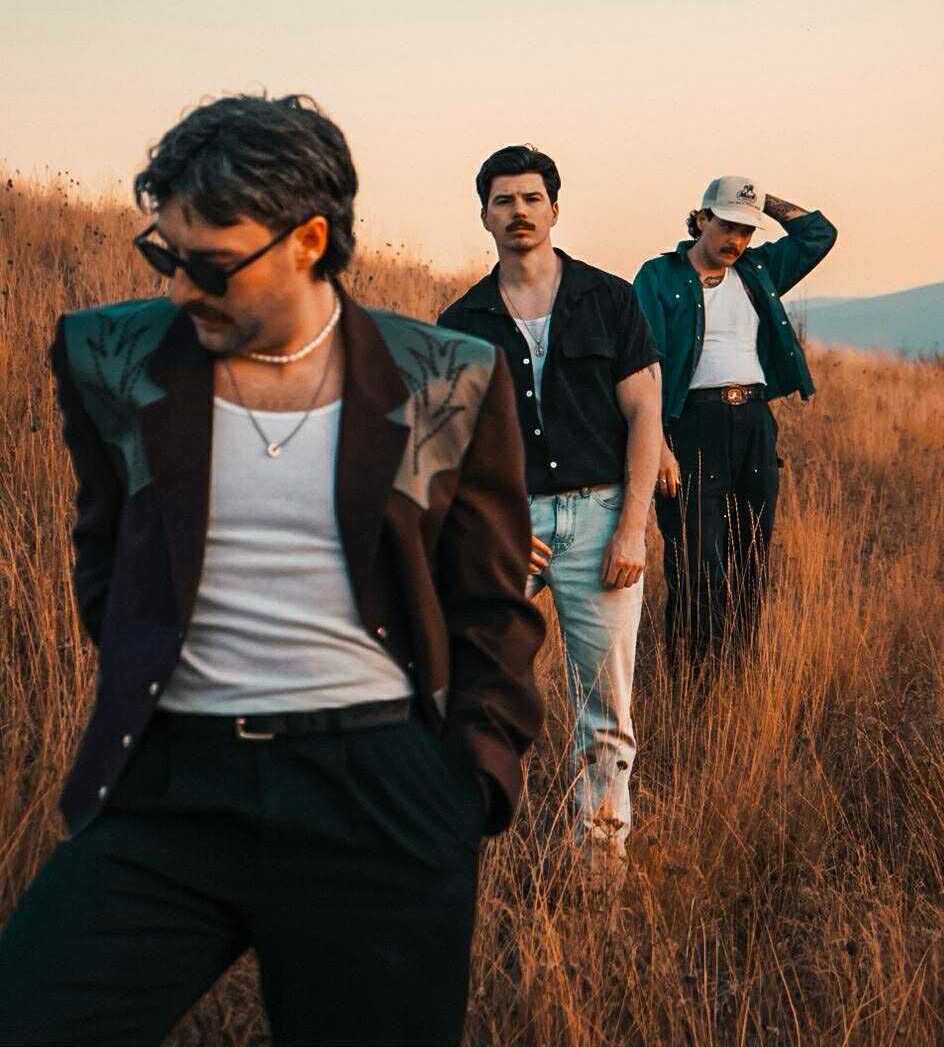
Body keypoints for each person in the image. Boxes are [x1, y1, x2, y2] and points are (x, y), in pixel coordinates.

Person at [0, 94, 543, 1047]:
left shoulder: (448, 375)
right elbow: (106, 552)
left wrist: (469, 786)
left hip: (378, 795)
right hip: (172, 787)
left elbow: (491, 605)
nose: (180, 291)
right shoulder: (109, 356)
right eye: (165, 257)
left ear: (309, 241)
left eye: (211, 266)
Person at [438, 145, 661, 871]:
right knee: (467, 682)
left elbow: (645, 414)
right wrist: (489, 528)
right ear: (484, 216)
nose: (519, 212)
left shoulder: (609, 299)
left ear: (554, 209)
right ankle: (462, 849)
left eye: (532, 198)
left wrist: (632, 528)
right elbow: (451, 447)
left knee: (605, 707)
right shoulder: (462, 321)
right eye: (503, 200)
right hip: (510, 527)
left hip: (601, 521)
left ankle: (600, 867)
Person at [634, 176, 837, 663]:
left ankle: (738, 670)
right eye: (727, 225)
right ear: (702, 218)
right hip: (691, 425)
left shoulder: (757, 270)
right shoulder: (659, 276)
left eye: (746, 230)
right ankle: (694, 678)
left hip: (754, 421)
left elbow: (818, 235)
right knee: (696, 558)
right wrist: (658, 444)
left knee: (751, 554)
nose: (736, 240)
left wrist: (760, 200)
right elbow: (643, 365)